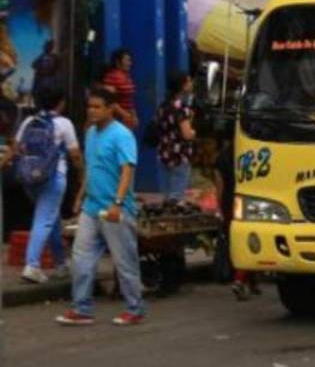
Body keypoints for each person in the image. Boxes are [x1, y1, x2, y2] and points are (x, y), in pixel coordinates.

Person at [56, 86, 145, 327]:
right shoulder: (91, 133)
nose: (92, 111)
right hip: (91, 207)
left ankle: (134, 308)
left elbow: (127, 169)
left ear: (110, 109)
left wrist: (117, 203)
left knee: (124, 261)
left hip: (116, 210)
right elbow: (90, 167)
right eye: (90, 106)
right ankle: (82, 308)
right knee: (81, 258)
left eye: (97, 107)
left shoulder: (122, 135)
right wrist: (80, 196)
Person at [1, 87, 82, 283]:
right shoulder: (64, 123)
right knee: (44, 219)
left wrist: (3, 164)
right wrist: (81, 173)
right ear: (61, 103)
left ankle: (61, 263)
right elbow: (75, 154)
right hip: (53, 178)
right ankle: (32, 265)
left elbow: (15, 148)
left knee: (50, 218)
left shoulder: (29, 121)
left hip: (29, 179)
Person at [213, 136, 260, 301]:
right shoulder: (251, 155)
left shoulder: (221, 158)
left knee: (237, 242)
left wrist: (219, 208)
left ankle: (249, 281)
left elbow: (220, 186)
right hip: (248, 201)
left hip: (229, 203)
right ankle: (242, 280)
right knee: (252, 241)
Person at [156, 71, 197, 201]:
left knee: (166, 194)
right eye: (189, 81)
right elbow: (186, 134)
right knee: (176, 196)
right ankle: (171, 219)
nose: (191, 84)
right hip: (179, 155)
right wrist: (193, 133)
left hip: (164, 152)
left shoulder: (163, 106)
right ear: (183, 85)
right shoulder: (182, 108)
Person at [101, 49, 139, 132]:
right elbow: (109, 100)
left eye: (130, 60)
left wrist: (134, 115)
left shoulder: (127, 77)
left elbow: (129, 99)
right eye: (127, 60)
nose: (130, 63)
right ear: (118, 62)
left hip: (126, 118)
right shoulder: (111, 77)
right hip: (115, 118)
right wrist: (124, 114)